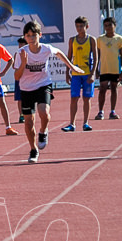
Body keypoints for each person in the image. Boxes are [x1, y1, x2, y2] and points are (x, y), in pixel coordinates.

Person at [14, 22, 85, 163]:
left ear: (40, 35)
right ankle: (33, 150)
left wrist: (71, 67)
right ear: (25, 37)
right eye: (28, 36)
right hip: (26, 88)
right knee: (28, 122)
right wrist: (23, 63)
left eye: (34, 35)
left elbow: (58, 53)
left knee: (44, 112)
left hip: (43, 84)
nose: (31, 38)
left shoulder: (46, 49)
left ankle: (43, 131)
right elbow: (17, 77)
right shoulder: (21, 53)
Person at [62, 16, 98, 132]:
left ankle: (85, 123)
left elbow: (96, 58)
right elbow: (69, 57)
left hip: (87, 73)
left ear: (86, 27)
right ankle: (72, 124)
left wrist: (93, 74)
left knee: (86, 98)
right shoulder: (72, 40)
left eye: (81, 26)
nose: (79, 28)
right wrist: (67, 72)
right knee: (74, 98)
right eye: (77, 26)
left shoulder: (91, 40)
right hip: (76, 74)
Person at [95, 16, 122, 120]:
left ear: (115, 26)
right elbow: (97, 56)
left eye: (110, 25)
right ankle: (100, 111)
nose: (108, 27)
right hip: (104, 69)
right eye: (106, 26)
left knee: (114, 88)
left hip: (115, 69)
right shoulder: (100, 39)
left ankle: (112, 111)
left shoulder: (119, 39)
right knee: (102, 89)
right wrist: (96, 69)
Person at [13, 36, 27, 123]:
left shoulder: (29, 52)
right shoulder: (16, 53)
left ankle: (28, 113)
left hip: (28, 78)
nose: (20, 45)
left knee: (29, 97)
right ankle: (21, 115)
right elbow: (14, 66)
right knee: (19, 98)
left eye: (22, 43)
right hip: (19, 78)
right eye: (19, 43)